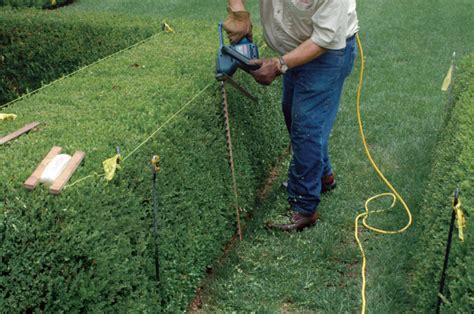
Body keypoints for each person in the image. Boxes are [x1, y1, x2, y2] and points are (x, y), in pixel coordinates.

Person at [224, 0, 359, 231]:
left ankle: (304, 207)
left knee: (307, 126)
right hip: (292, 50)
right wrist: (240, 15)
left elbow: (325, 39)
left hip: (327, 54)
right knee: (293, 115)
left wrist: (279, 66)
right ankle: (323, 177)